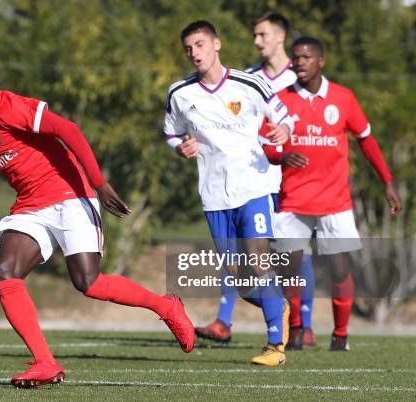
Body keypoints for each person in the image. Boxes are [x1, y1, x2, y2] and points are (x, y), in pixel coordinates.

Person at [0, 61, 195, 388]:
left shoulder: (1, 106)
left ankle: (166, 306)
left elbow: (67, 130)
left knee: (87, 282)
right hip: (30, 205)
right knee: (4, 273)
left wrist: (99, 183)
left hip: (69, 193)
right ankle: (45, 363)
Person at [164, 21, 293, 366]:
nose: (195, 53)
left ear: (217, 44)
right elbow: (171, 134)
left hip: (254, 186)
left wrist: (282, 129)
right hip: (214, 195)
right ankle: (277, 305)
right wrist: (181, 147)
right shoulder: (180, 94)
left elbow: (283, 117)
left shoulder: (250, 83)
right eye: (188, 48)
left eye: (200, 44)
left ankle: (274, 346)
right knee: (238, 280)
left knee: (260, 262)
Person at [264, 37, 402, 351]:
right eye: (295, 58)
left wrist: (388, 180)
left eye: (306, 57)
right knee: (291, 268)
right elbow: (265, 146)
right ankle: (296, 327)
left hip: (334, 202)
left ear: (320, 61)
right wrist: (280, 156)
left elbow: (366, 139)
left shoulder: (343, 98)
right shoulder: (279, 101)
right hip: (293, 200)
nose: (299, 62)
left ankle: (340, 335)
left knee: (340, 270)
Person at [195, 12, 317, 351]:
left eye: (262, 35)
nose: (256, 41)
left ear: (279, 37)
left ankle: (302, 324)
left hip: (293, 177)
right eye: (255, 35)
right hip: (255, 178)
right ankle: (226, 319)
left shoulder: (302, 77)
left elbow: (307, 124)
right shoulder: (248, 78)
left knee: (292, 251)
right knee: (239, 256)